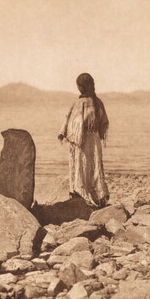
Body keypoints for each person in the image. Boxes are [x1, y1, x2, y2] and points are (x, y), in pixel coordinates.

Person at [58, 73, 109, 207]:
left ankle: (81, 194)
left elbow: (70, 120)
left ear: (81, 87)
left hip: (81, 140)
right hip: (94, 139)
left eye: (79, 86)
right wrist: (99, 133)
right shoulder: (97, 102)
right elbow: (104, 122)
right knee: (94, 166)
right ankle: (98, 196)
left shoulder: (79, 103)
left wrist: (63, 133)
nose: (79, 88)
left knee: (81, 166)